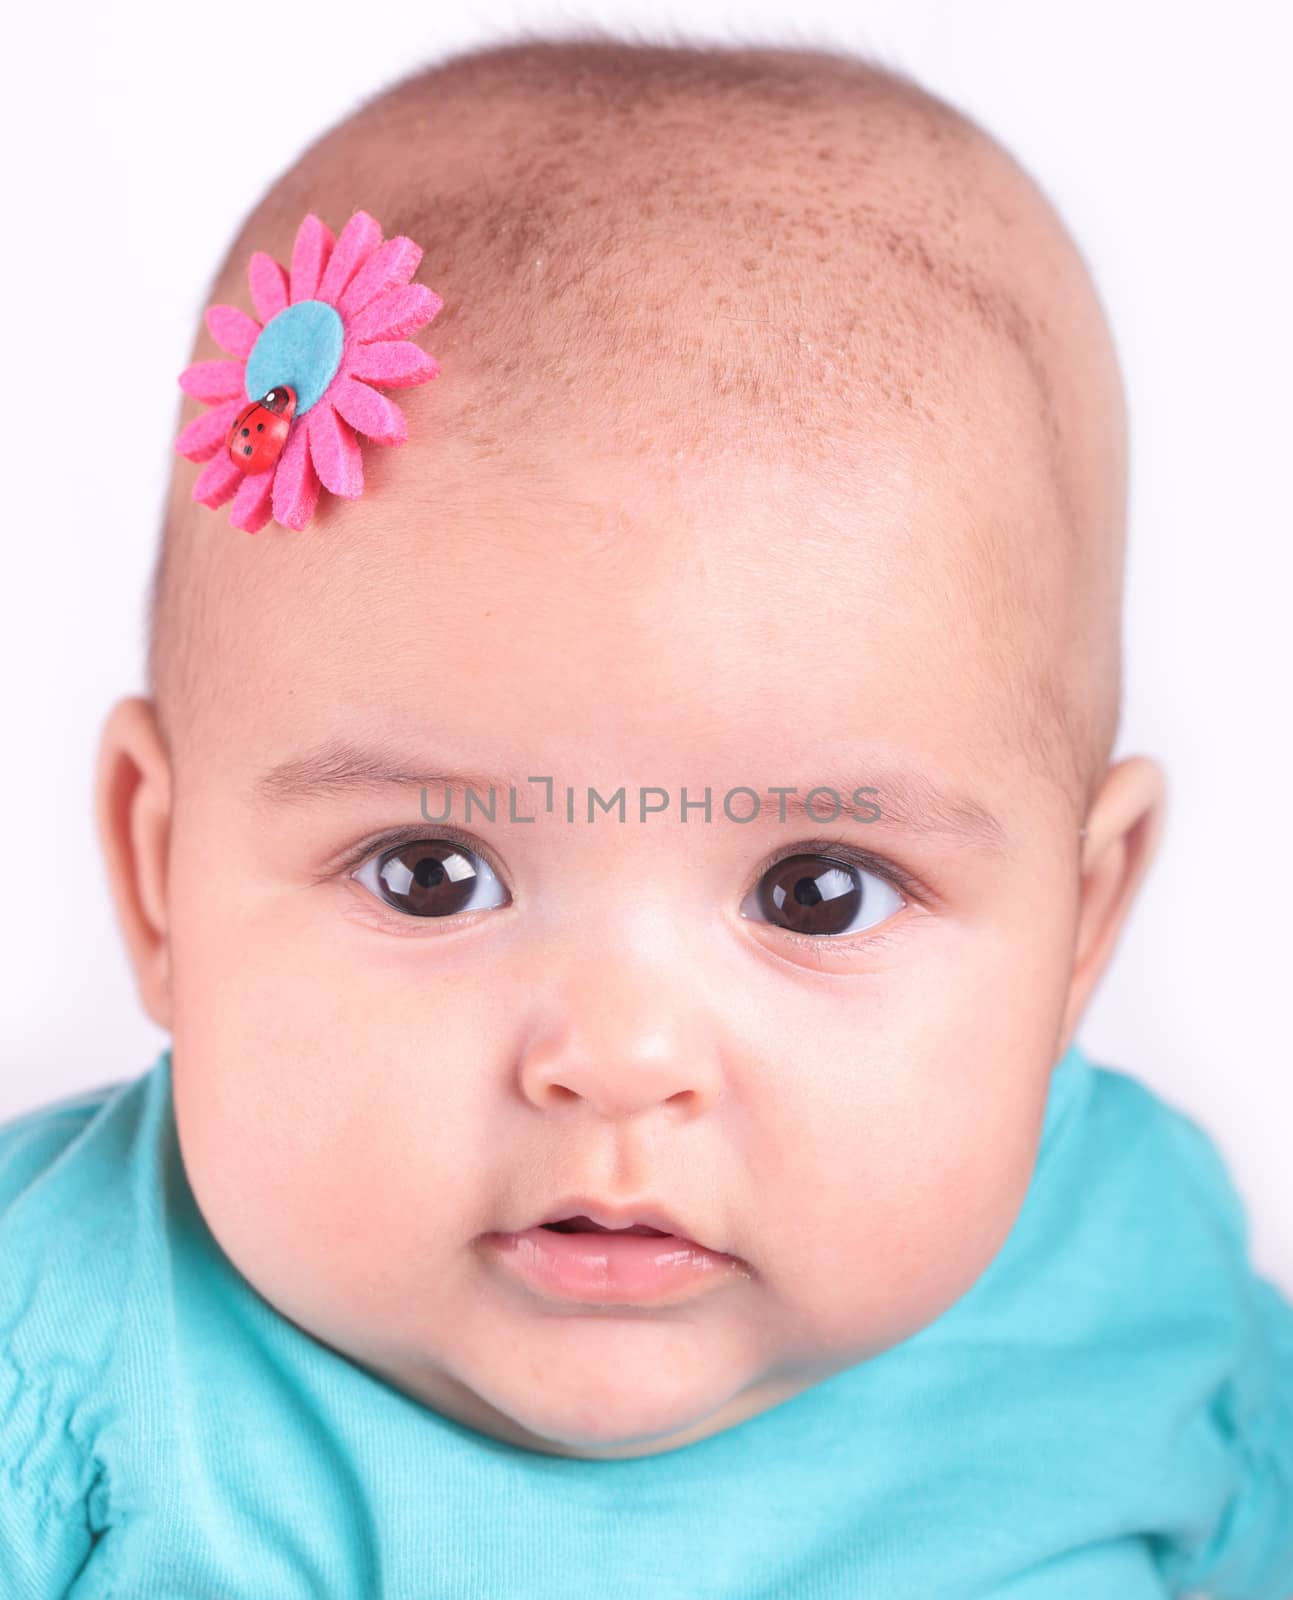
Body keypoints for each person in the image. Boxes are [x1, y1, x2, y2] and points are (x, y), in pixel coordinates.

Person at [2, 34, 1289, 1599]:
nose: (614, 1059)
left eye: (817, 890)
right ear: (157, 879)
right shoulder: (59, 1356)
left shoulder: (1144, 1296)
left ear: (1080, 928)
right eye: (430, 873)